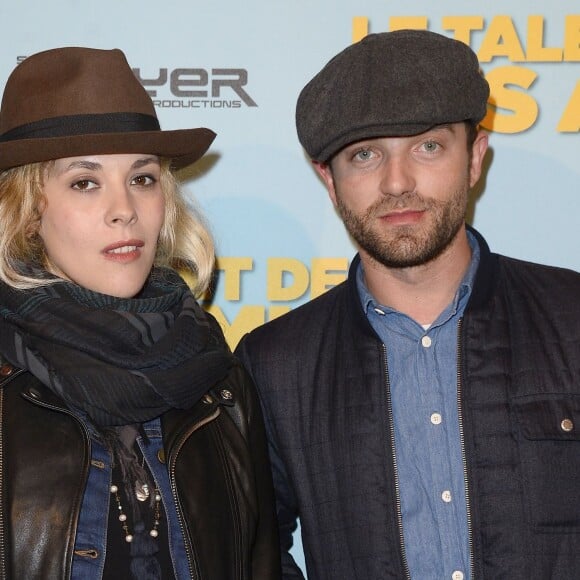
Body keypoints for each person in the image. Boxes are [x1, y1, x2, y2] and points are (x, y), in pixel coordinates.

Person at [235, 29, 580, 580]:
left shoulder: (572, 320)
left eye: (428, 146)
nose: (397, 183)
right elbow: (253, 553)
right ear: (329, 181)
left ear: (475, 158)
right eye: (365, 154)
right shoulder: (276, 364)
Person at [0, 46, 280, 580]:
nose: (124, 209)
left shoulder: (222, 383)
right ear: (28, 212)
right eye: (85, 182)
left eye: (142, 178)